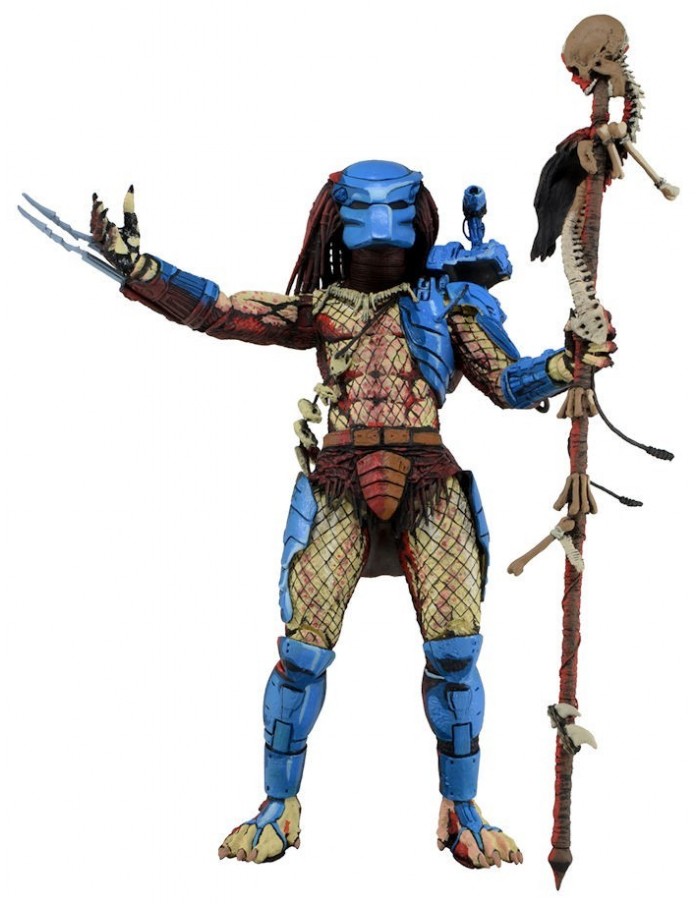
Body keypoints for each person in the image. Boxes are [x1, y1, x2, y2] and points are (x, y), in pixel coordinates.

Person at [80, 160, 609, 869]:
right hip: (339, 479)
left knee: (456, 654)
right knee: (301, 654)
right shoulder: (326, 308)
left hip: (428, 478)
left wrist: (566, 362)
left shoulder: (448, 303)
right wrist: (144, 271)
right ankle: (279, 805)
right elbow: (224, 311)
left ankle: (462, 809)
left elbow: (509, 382)